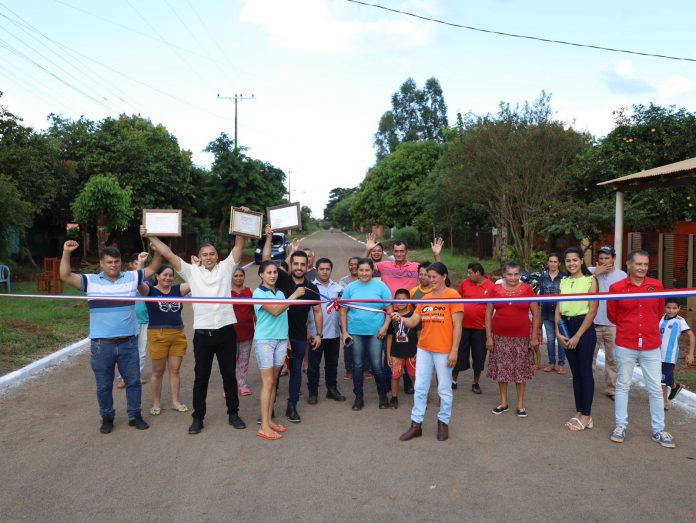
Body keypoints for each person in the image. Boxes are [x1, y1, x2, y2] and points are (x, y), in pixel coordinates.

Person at [145, 223, 247, 435]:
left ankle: (234, 414)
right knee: (201, 378)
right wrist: (151, 236)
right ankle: (198, 418)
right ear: (199, 257)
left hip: (226, 332)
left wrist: (241, 223)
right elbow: (169, 254)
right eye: (205, 254)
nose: (209, 257)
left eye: (212, 254)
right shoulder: (191, 272)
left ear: (217, 256)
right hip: (203, 335)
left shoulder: (226, 268)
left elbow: (238, 246)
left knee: (229, 376)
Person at [59, 239, 161, 434]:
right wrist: (66, 252)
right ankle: (107, 418)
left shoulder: (132, 277)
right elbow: (65, 275)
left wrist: (157, 250)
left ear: (121, 262)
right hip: (102, 345)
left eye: (116, 261)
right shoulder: (90, 281)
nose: (113, 265)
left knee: (133, 382)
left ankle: (135, 416)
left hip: (128, 342)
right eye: (109, 262)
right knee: (104, 385)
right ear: (101, 264)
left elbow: (154, 268)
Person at [607, 250, 673, 448]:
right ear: (629, 264)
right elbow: (612, 315)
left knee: (655, 388)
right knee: (622, 386)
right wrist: (630, 325)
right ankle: (620, 426)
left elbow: (659, 311)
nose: (642, 268)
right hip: (626, 343)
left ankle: (659, 430)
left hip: (651, 344)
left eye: (645, 264)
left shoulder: (656, 285)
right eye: (638, 264)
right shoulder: (617, 287)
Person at [397, 263, 464, 442]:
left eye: (434, 276)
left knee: (444, 388)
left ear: (444, 276)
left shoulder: (453, 296)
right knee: (420, 387)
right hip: (424, 348)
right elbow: (414, 322)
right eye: (428, 276)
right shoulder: (425, 298)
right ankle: (416, 424)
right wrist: (400, 318)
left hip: (444, 350)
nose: (431, 280)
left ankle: (443, 422)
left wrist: (454, 351)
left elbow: (458, 326)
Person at [264, 225, 323, 423]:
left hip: (298, 337)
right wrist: (269, 238)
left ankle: (292, 407)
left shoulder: (312, 288)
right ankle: (269, 408)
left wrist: (319, 334)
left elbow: (317, 311)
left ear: (307, 266)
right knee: (273, 374)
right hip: (277, 335)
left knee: (296, 372)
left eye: (302, 264)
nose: (298, 267)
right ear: (291, 264)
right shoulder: (281, 279)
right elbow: (266, 260)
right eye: (295, 263)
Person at [253, 260, 307, 440]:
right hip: (265, 341)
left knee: (274, 381)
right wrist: (294, 296)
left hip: (281, 340)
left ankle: (269, 420)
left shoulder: (280, 293)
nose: (273, 275)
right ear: (261, 274)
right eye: (269, 272)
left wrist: (287, 339)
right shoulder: (258, 293)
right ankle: (264, 426)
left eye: (275, 272)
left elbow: (283, 317)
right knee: (268, 382)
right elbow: (275, 311)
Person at [485, 261, 540, 417]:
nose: (513, 278)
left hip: (521, 338)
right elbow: (488, 315)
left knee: (520, 371)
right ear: (503, 274)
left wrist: (534, 336)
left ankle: (520, 405)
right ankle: (503, 402)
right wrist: (489, 337)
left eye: (516, 274)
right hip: (500, 338)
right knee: (502, 370)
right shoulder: (495, 290)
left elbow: (536, 313)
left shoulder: (527, 289)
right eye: (510, 274)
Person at [340, 258, 393, 410]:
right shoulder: (350, 288)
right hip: (355, 332)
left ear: (372, 271)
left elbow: (390, 310)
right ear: (357, 271)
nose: (364, 273)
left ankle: (382, 395)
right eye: (361, 270)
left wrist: (384, 327)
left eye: (367, 270)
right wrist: (345, 332)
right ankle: (358, 397)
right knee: (357, 365)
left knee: (376, 365)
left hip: (376, 332)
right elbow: (343, 311)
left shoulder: (381, 286)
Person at [138, 264, 191, 416]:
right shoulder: (150, 291)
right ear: (157, 276)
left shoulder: (177, 290)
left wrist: (195, 266)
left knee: (175, 370)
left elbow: (195, 281)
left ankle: (175, 401)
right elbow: (138, 282)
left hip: (177, 334)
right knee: (157, 372)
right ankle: (156, 403)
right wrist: (141, 265)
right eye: (164, 275)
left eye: (170, 275)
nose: (168, 278)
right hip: (157, 334)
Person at [556, 247, 598, 431]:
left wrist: (578, 336)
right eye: (568, 260)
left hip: (584, 328)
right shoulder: (564, 281)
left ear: (581, 260)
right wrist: (558, 331)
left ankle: (587, 415)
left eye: (575, 260)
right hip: (566, 326)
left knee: (585, 371)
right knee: (575, 373)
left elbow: (592, 310)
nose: (571, 263)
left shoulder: (590, 280)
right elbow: (558, 307)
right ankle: (579, 411)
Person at [306, 257, 346, 404]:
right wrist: (308, 331)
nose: (324, 271)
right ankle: (313, 391)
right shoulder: (310, 288)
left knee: (332, 365)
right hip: (315, 334)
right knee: (313, 365)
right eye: (321, 269)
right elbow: (305, 311)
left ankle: (332, 389)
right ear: (317, 270)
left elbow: (344, 310)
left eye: (327, 269)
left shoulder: (339, 289)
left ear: (331, 270)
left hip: (333, 333)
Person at [590, 245, 627, 400]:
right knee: (589, 357)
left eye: (607, 258)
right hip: (592, 323)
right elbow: (578, 284)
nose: (604, 261)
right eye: (601, 258)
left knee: (613, 359)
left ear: (613, 258)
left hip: (613, 325)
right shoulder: (590, 272)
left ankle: (612, 389)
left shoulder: (622, 276)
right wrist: (595, 274)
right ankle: (587, 387)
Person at [453, 262, 495, 394]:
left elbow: (493, 308)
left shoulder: (491, 286)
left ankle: (475, 383)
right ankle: (453, 381)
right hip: (463, 327)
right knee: (458, 354)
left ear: (478, 273)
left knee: (479, 357)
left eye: (470, 272)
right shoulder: (465, 283)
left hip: (480, 329)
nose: (468, 275)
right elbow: (457, 300)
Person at [364, 234, 443, 297]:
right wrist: (368, 250)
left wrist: (436, 255)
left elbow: (438, 272)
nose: (399, 254)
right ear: (393, 252)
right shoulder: (384, 265)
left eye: (402, 251)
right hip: (388, 307)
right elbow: (363, 267)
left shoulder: (416, 267)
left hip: (409, 308)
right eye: (396, 251)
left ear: (406, 251)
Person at [116, 253, 150, 389]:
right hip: (129, 321)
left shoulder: (148, 280)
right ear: (130, 264)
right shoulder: (124, 279)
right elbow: (137, 278)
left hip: (145, 320)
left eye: (140, 263)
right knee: (127, 351)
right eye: (136, 263)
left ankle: (136, 375)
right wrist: (141, 264)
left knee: (141, 351)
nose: (138, 266)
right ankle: (124, 377)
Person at [659, 300, 695, 410]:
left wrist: (691, 354)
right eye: (668, 307)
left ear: (679, 308)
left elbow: (691, 336)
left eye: (674, 308)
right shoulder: (661, 318)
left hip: (670, 356)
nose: (671, 310)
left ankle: (665, 402)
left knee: (662, 379)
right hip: (657, 354)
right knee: (665, 375)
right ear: (664, 307)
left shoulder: (680, 320)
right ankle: (675, 387)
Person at [386, 288, 418, 409]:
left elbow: (419, 335)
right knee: (395, 376)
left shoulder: (414, 316)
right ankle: (394, 397)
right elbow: (389, 337)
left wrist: (419, 351)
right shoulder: (392, 316)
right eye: (398, 299)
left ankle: (419, 399)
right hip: (396, 353)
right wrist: (388, 354)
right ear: (394, 300)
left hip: (412, 352)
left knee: (414, 376)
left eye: (404, 299)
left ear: (409, 300)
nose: (401, 301)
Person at [540, 253, 567, 374]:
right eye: (551, 261)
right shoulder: (543, 277)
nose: (553, 264)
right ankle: (551, 363)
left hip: (561, 314)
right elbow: (541, 296)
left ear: (559, 263)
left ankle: (561, 364)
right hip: (546, 313)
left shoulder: (564, 277)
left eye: (555, 261)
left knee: (561, 340)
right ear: (548, 263)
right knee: (550, 339)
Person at [232, 267, 254, 396]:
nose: (238, 278)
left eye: (241, 275)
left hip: (247, 332)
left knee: (243, 361)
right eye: (235, 276)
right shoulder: (226, 293)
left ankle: (243, 384)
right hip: (230, 334)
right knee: (230, 362)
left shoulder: (249, 292)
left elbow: (255, 312)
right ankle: (230, 386)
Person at [339, 256, 360, 380]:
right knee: (348, 344)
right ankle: (349, 369)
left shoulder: (365, 279)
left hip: (362, 317)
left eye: (356, 264)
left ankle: (366, 369)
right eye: (351, 264)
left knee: (364, 343)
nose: (353, 267)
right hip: (346, 317)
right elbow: (343, 298)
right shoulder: (343, 281)